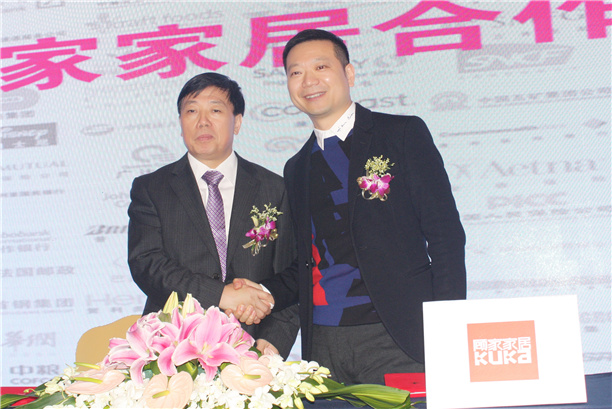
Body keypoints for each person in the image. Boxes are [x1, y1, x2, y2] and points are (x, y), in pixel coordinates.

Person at [232, 29, 466, 384]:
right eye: (295, 72)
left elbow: (445, 236)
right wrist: (262, 293)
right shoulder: (296, 168)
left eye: (321, 67)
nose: (308, 81)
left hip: (399, 337)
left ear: (349, 74)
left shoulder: (401, 134)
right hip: (324, 345)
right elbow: (304, 263)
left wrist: (447, 328)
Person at [127, 72, 299, 357]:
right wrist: (220, 295)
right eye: (191, 111)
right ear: (180, 122)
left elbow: (294, 272)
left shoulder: (275, 188)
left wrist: (274, 340)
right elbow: (147, 264)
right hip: (172, 349)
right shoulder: (152, 188)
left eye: (215, 110)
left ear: (237, 122)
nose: (203, 121)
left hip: (254, 347)